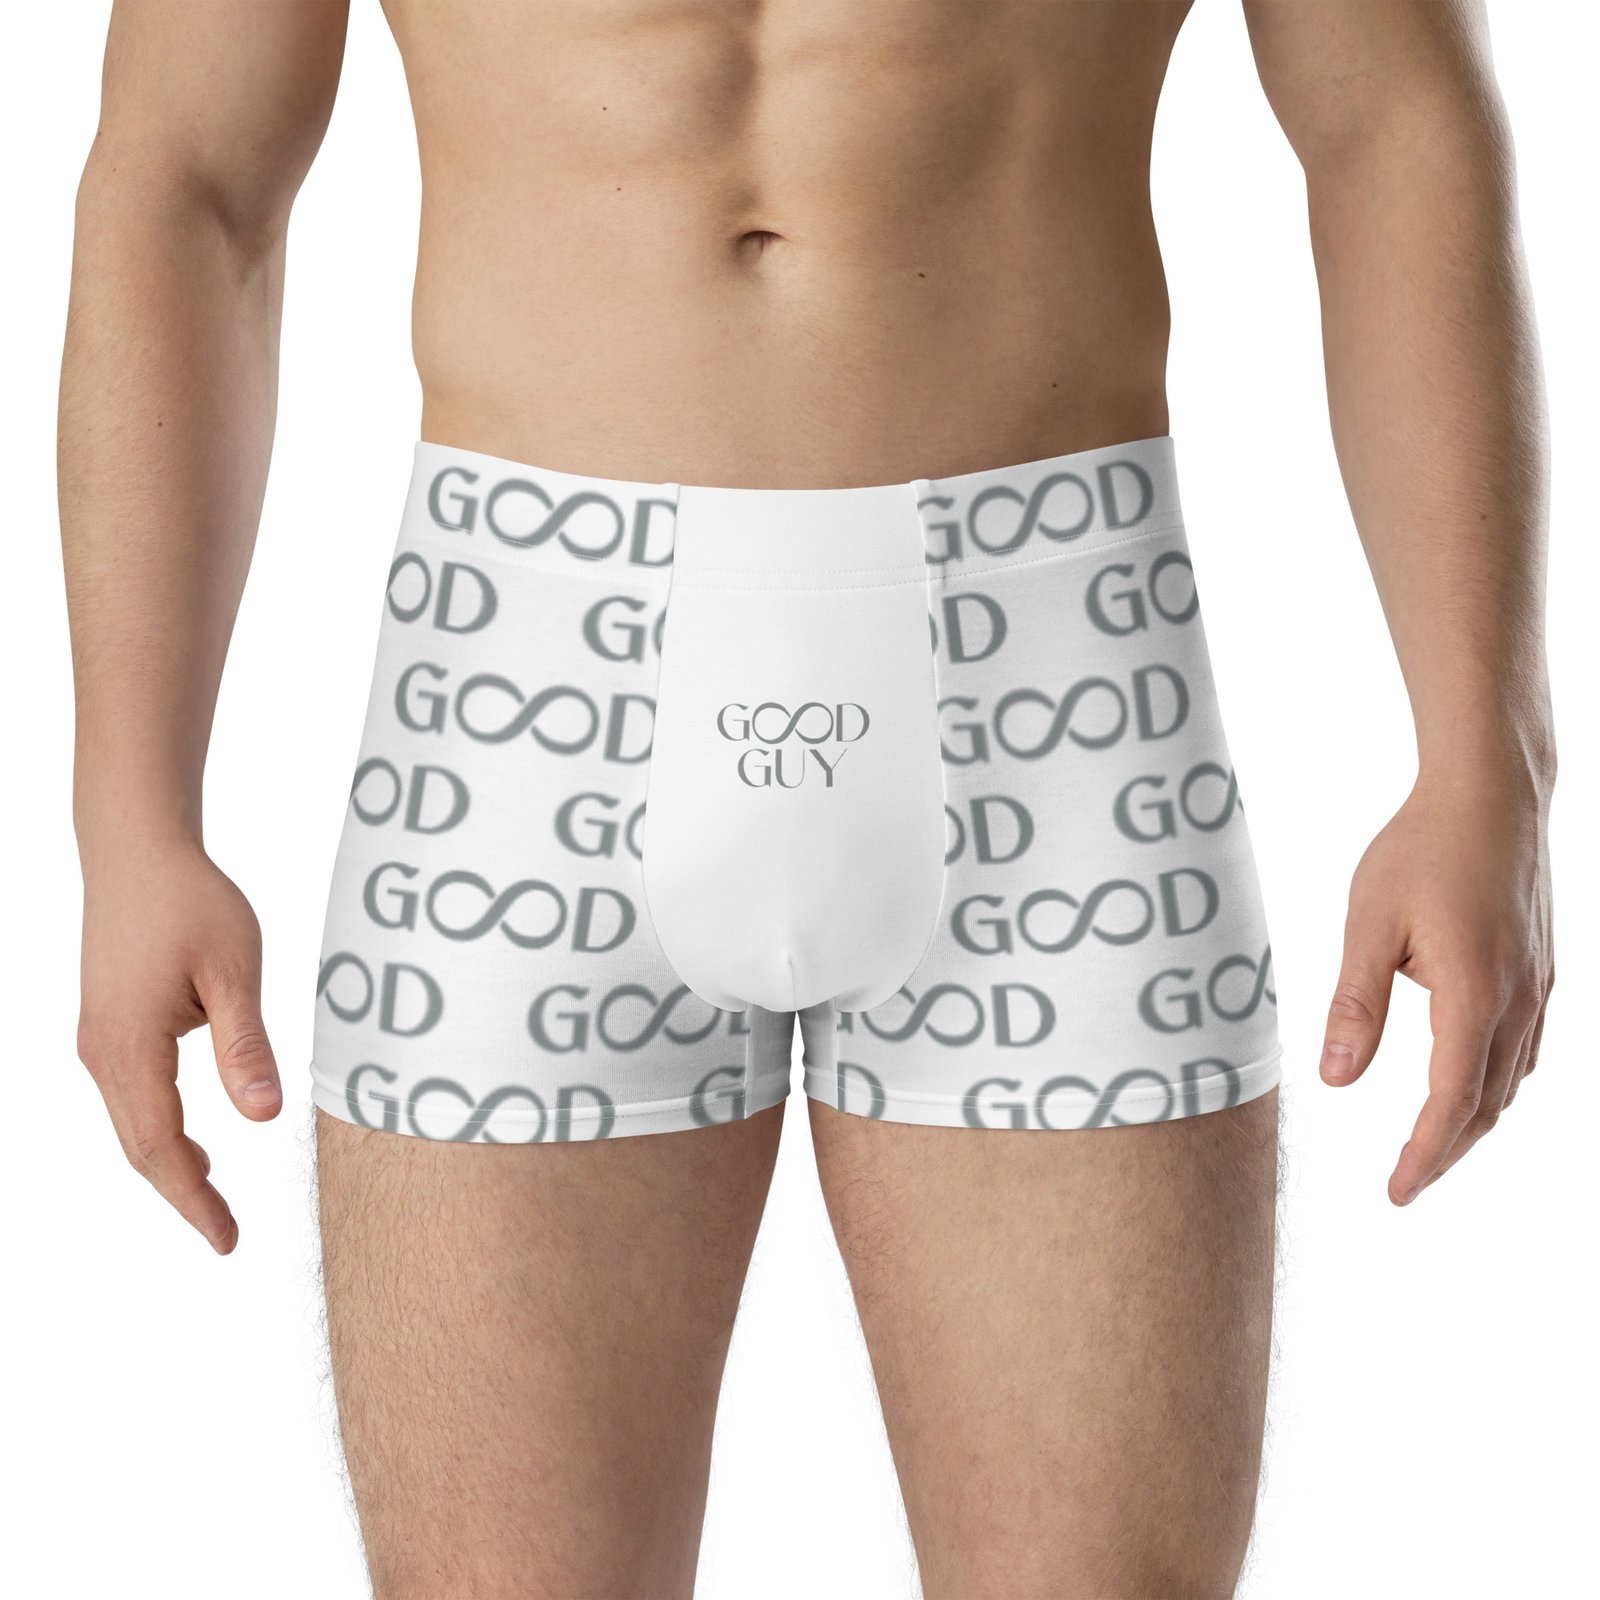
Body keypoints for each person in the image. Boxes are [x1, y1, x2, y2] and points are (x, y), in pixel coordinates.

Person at [59, 2, 1556, 1595]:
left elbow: (1394, 130)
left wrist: (1489, 758)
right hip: (519, 704)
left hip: (1055, 699)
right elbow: (190, 181)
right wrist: (131, 817)